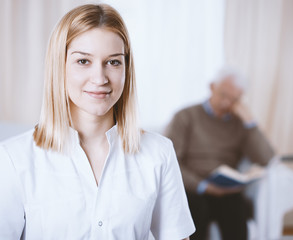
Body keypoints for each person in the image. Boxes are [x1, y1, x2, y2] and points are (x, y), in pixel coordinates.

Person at [0, 4, 195, 240]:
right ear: (58, 67)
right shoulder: (13, 159)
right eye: (83, 61)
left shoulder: (159, 153)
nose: (100, 78)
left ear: (126, 69)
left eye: (113, 62)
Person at [165, 68, 275, 240]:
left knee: (236, 208)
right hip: (192, 188)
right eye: (223, 95)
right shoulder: (185, 116)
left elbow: (266, 159)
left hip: (225, 191)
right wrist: (203, 186)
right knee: (196, 208)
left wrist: (250, 122)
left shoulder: (240, 123)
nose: (226, 103)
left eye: (234, 99)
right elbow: (170, 162)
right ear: (212, 87)